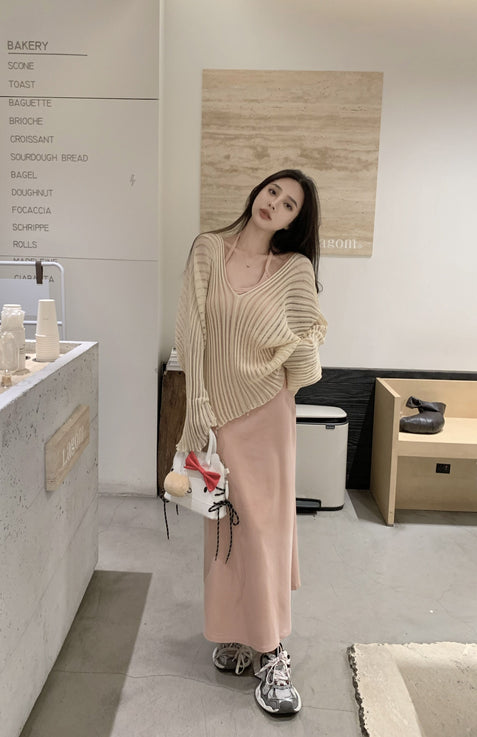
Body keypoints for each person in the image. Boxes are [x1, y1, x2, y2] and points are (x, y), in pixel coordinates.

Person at [174, 169, 327, 716]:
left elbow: (308, 351)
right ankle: (237, 633)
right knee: (227, 532)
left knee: (264, 529)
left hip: (267, 414)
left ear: (294, 221)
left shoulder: (294, 269)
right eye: (274, 192)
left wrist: (287, 343)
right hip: (214, 415)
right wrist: (197, 404)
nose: (275, 205)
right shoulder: (207, 250)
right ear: (259, 191)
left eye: (289, 205)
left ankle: (273, 651)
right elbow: (191, 332)